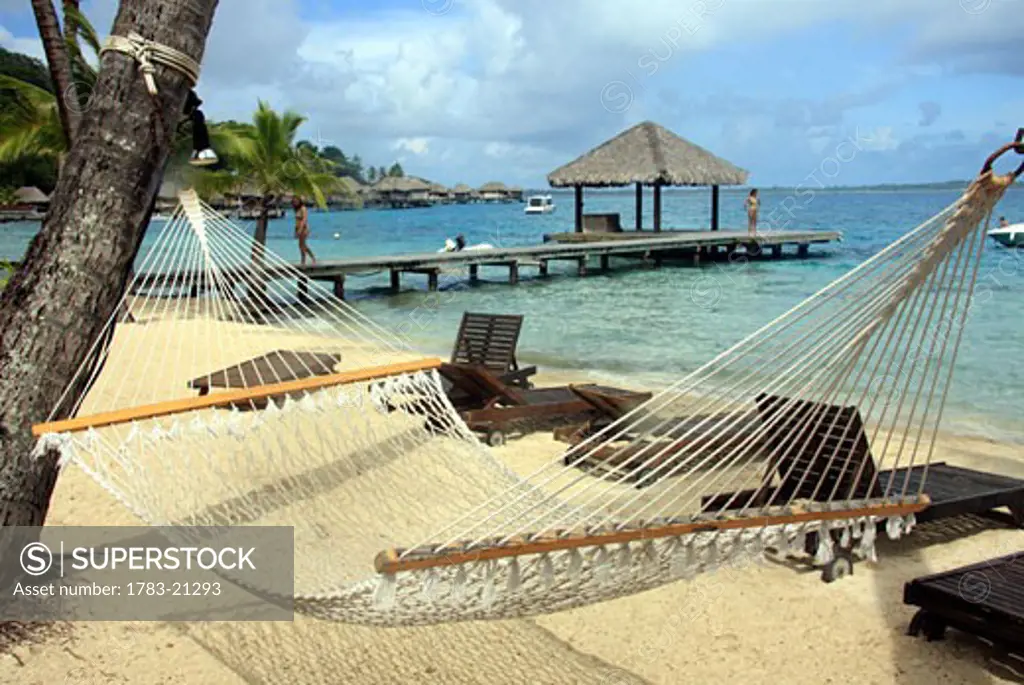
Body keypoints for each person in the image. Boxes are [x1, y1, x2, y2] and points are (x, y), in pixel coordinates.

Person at [292, 196, 316, 266]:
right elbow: (296, 221)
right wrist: (295, 230)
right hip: (298, 228)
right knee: (301, 245)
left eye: (296, 201)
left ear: (300, 201)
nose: (295, 202)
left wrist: (300, 229)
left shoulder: (303, 208)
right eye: (294, 201)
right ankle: (310, 258)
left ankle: (305, 260)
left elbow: (304, 220)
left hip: (304, 228)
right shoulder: (296, 209)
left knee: (302, 245)